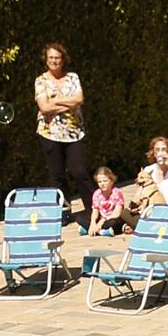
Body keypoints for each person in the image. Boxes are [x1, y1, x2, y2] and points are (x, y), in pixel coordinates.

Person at [33, 42, 89, 218]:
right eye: (51, 58)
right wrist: (67, 102)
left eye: (57, 58)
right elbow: (44, 108)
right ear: (46, 59)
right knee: (57, 175)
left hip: (74, 133)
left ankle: (93, 208)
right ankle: (63, 211)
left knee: (79, 171)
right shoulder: (40, 81)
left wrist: (55, 101)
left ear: (63, 59)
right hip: (49, 133)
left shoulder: (73, 77)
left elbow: (79, 99)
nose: (54, 61)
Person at [84, 166, 129, 237]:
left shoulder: (117, 192)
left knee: (115, 222)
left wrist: (102, 221)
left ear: (111, 181)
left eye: (105, 181)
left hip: (111, 218)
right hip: (101, 219)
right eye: (99, 182)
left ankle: (90, 230)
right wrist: (93, 223)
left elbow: (117, 213)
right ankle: (100, 230)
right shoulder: (96, 193)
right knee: (80, 218)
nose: (102, 184)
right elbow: (95, 211)